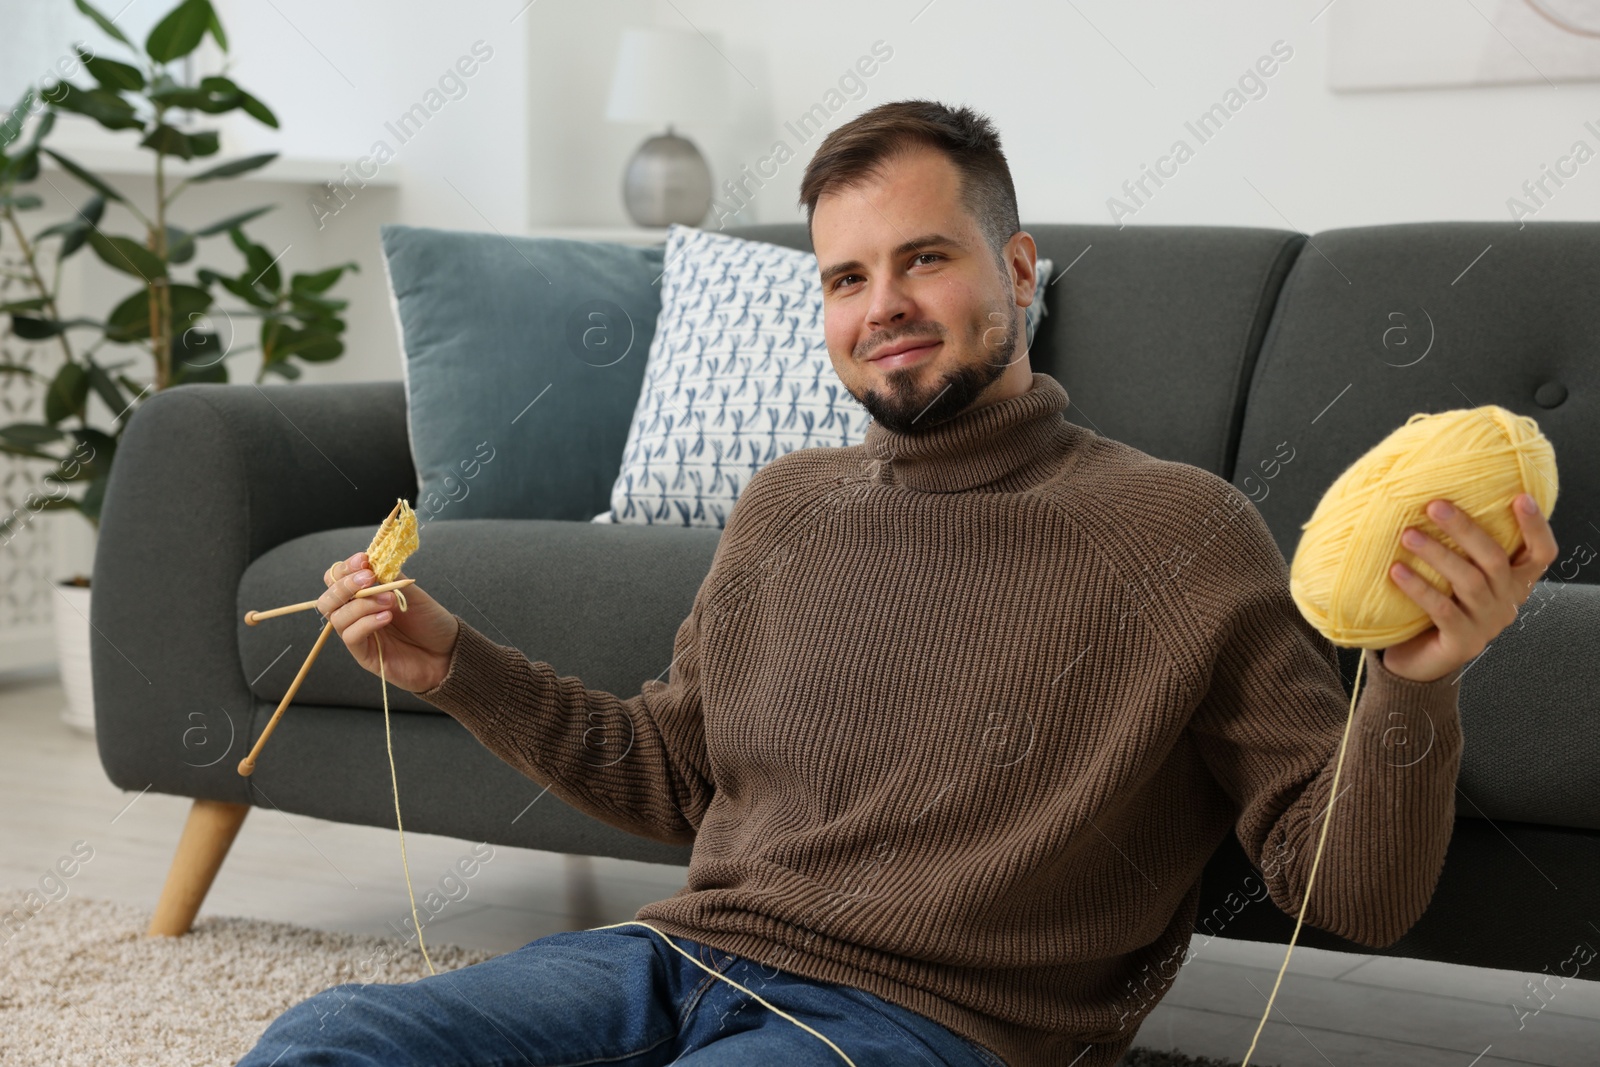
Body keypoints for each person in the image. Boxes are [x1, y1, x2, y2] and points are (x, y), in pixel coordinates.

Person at [238, 99, 1557, 1067]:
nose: (884, 308)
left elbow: (1354, 896)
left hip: (935, 1026)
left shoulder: (1185, 532)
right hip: (676, 962)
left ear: (1020, 272)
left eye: (925, 258)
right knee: (328, 1042)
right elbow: (669, 774)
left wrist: (1412, 686)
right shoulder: (788, 506)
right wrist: (453, 662)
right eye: (846, 278)